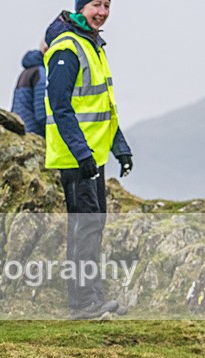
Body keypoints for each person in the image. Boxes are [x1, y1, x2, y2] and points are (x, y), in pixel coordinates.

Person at [43, 0, 133, 320]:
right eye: (96, 4)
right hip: (76, 157)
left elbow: (104, 105)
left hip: (92, 156)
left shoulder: (93, 44)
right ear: (82, 7)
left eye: (107, 5)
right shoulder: (68, 48)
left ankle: (92, 297)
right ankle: (82, 303)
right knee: (85, 227)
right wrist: (82, 153)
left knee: (92, 225)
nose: (103, 12)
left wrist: (120, 146)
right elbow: (60, 106)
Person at [11, 42, 49, 136]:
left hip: (20, 130)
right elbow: (42, 113)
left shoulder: (27, 71)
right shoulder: (42, 73)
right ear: (46, 50)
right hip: (34, 133)